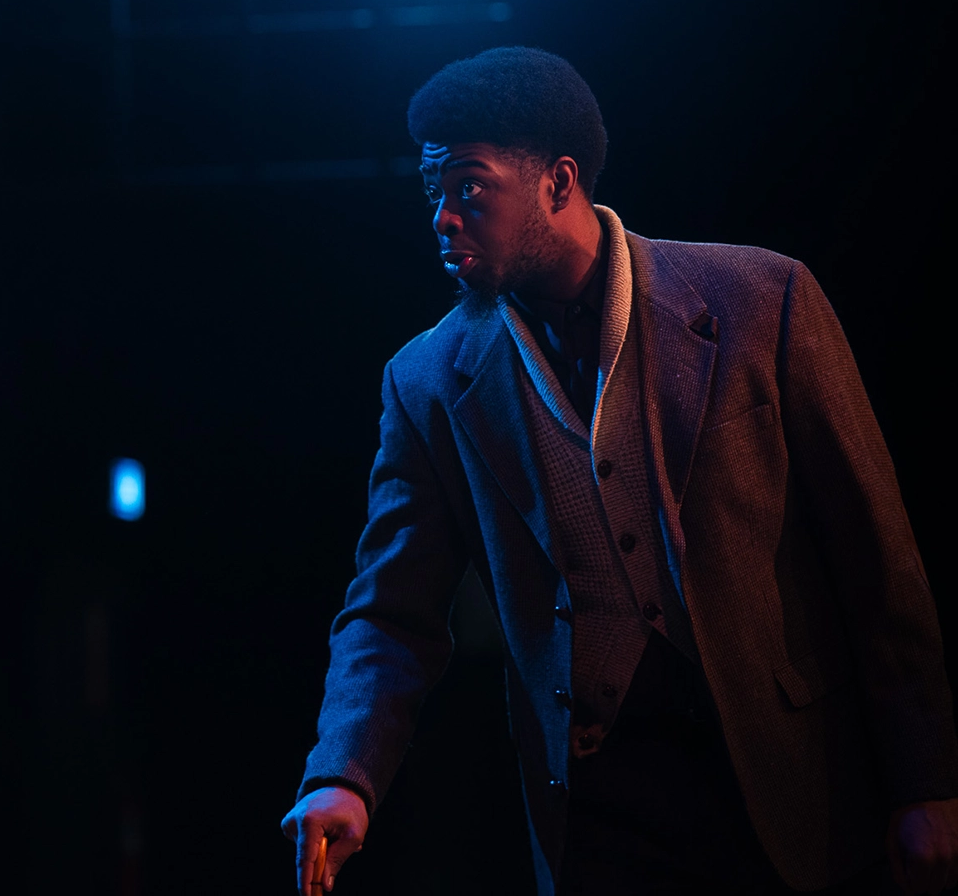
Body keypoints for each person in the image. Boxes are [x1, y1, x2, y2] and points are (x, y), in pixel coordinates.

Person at [281, 47, 958, 895]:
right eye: (433, 193)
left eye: (469, 187)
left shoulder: (763, 299)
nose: (443, 218)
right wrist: (342, 774)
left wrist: (927, 774)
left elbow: (876, 559)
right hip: (599, 808)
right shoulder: (426, 383)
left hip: (791, 780)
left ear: (558, 182)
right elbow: (390, 611)